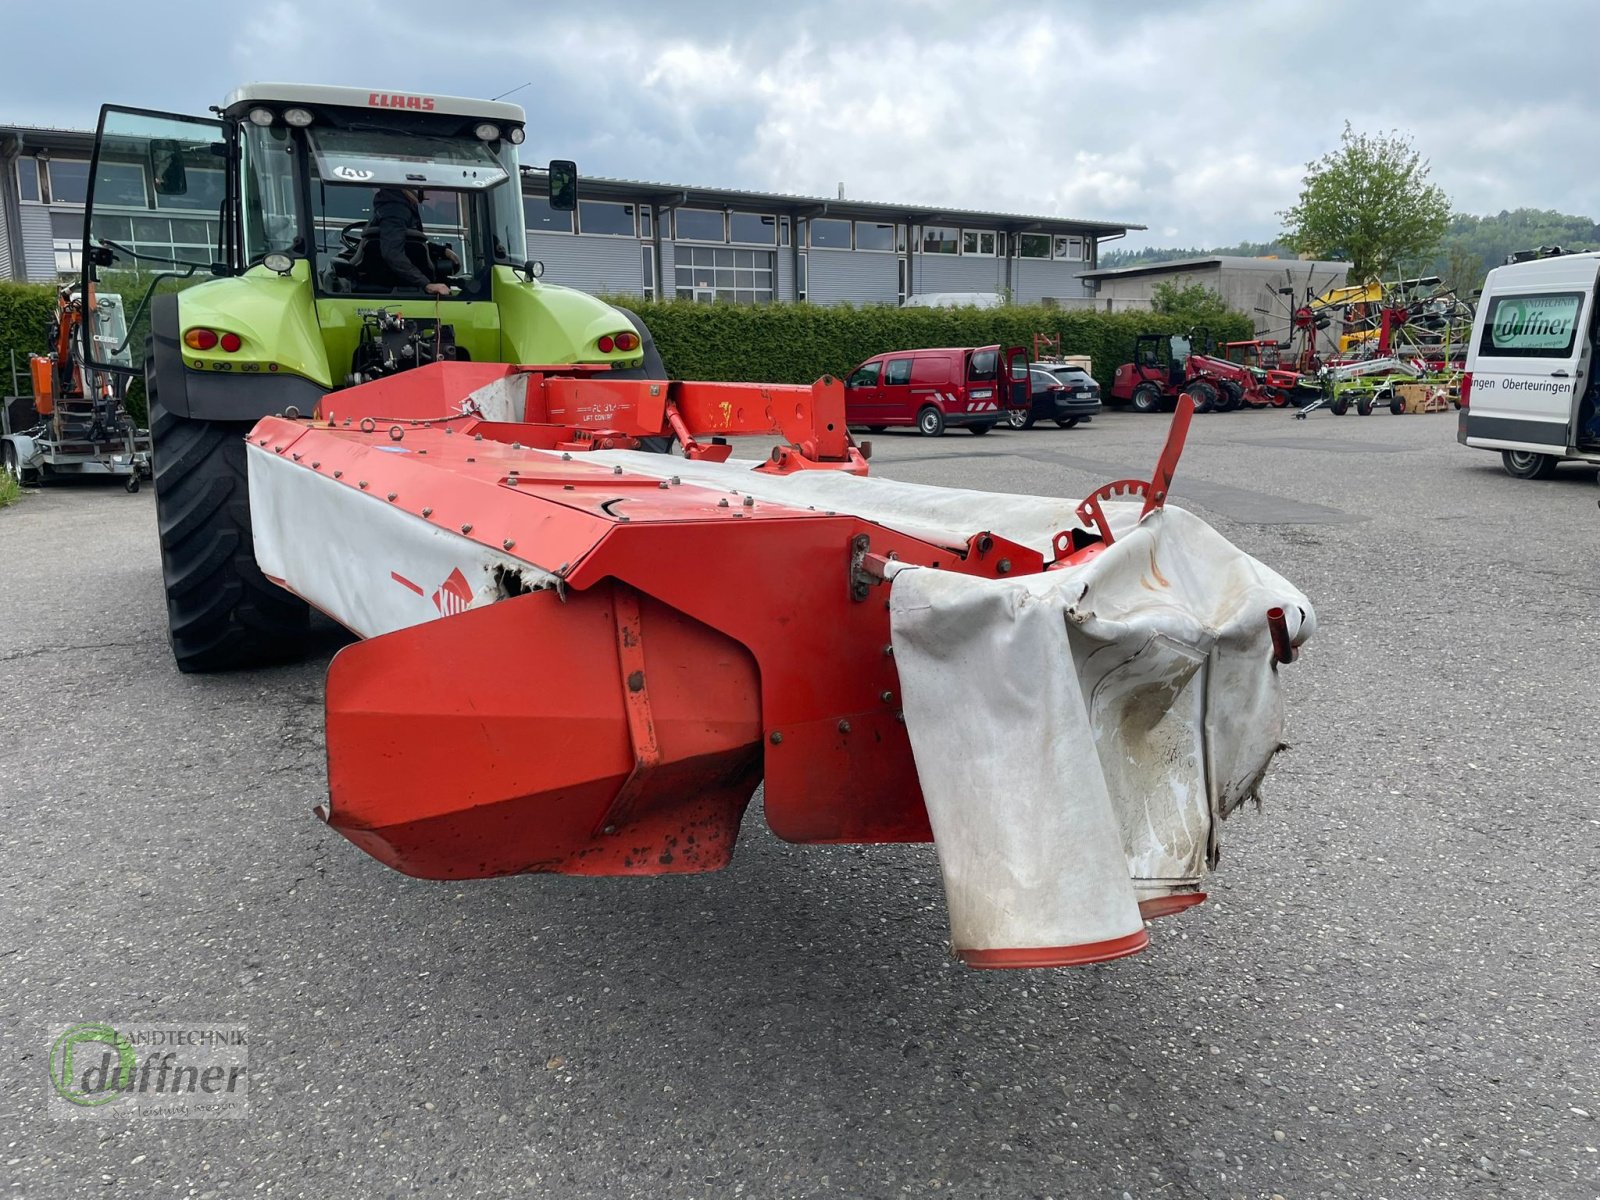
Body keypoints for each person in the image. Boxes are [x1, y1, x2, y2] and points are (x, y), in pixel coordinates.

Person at [360, 187, 458, 296]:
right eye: (425, 187)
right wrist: (426, 285)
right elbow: (392, 252)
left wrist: (442, 250)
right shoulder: (395, 210)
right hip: (396, 285)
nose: (428, 194)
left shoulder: (399, 205)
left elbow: (408, 242)